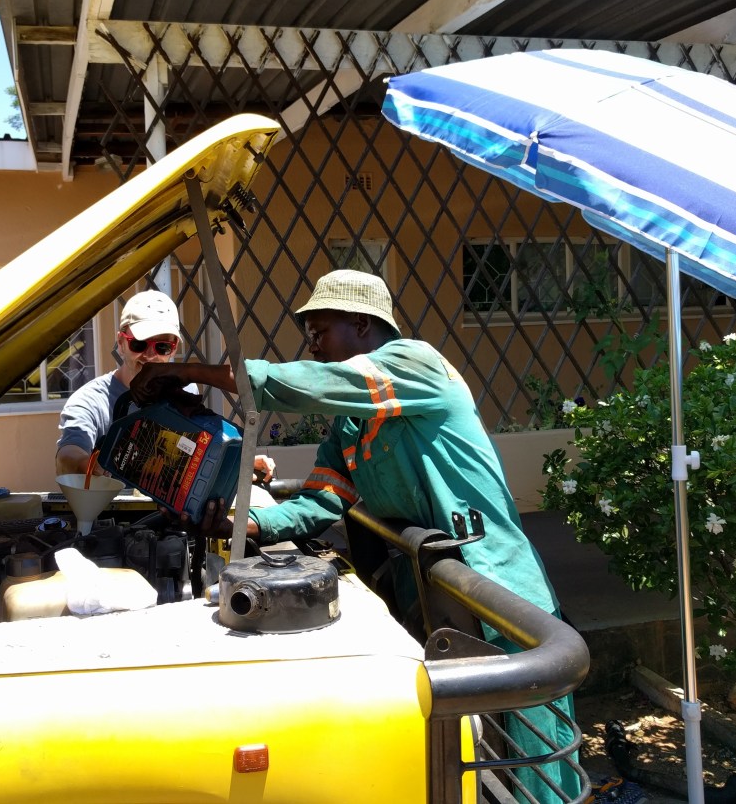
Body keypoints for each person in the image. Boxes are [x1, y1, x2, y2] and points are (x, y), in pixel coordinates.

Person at [131, 269, 576, 803]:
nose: (314, 347)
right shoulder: (351, 423)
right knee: (470, 754)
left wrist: (185, 372)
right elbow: (324, 497)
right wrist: (241, 525)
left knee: (533, 756)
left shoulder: (416, 363)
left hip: (495, 582)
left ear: (362, 325)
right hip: (433, 595)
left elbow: (303, 384)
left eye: (320, 332)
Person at [55, 290, 276, 484]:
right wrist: (90, 466)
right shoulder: (91, 400)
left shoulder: (185, 392)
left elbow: (195, 452)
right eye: (139, 344)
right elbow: (67, 454)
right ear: (121, 343)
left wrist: (239, 463)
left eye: (162, 347)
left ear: (174, 347)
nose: (150, 356)